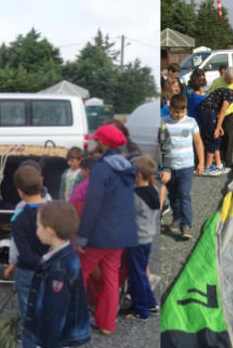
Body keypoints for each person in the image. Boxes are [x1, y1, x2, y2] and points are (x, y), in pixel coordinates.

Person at [77, 124, 139, 336]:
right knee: (110, 278)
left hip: (100, 234)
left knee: (79, 273)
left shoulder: (101, 169)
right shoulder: (127, 166)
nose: (95, 143)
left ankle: (75, 322)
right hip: (122, 233)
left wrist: (82, 236)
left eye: (97, 140)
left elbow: (93, 205)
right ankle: (106, 324)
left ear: (104, 143)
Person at [21, 201, 90, 348]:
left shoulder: (58, 271)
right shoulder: (65, 254)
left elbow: (54, 315)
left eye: (38, 225)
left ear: (50, 230)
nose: (36, 228)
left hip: (52, 340)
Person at [3, 165, 49, 335]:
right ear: (40, 185)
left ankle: (28, 335)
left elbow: (18, 247)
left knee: (27, 301)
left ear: (20, 191)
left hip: (28, 269)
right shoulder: (54, 210)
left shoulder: (19, 218)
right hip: (51, 267)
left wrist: (11, 263)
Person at [119, 156, 160, 320]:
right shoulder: (154, 191)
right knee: (141, 272)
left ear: (139, 176)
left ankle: (140, 310)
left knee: (136, 276)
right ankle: (151, 303)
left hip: (135, 240)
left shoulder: (134, 196)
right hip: (147, 238)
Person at [160, 94, 204, 239]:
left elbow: (198, 142)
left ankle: (186, 224)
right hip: (170, 168)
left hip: (186, 166)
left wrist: (201, 162)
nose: (179, 115)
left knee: (184, 194)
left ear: (186, 110)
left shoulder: (191, 122)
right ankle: (177, 217)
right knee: (173, 195)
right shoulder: (163, 122)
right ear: (170, 108)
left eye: (182, 112)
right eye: (175, 111)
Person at [208, 66, 233, 168]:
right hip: (217, 113)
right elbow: (209, 97)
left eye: (232, 80)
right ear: (225, 75)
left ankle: (228, 161)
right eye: (228, 79)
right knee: (218, 136)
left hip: (229, 113)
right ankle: (220, 158)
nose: (230, 81)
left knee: (229, 136)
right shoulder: (217, 82)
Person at [196, 85, 233, 176]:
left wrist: (219, 126)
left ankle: (219, 164)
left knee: (217, 138)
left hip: (210, 112)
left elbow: (219, 112)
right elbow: (222, 111)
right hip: (208, 111)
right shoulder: (230, 96)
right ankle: (208, 167)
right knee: (213, 138)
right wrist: (217, 128)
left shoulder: (229, 92)